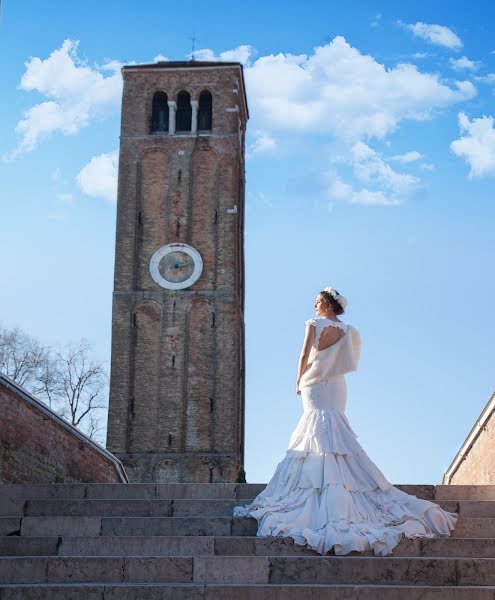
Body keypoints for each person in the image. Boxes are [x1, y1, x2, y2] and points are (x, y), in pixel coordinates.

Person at [234, 287, 457, 556]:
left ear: (328, 304)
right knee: (334, 428)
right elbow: (348, 361)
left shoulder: (313, 324)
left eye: (318, 301)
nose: (315, 305)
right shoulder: (349, 330)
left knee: (317, 425)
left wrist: (297, 380)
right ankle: (337, 479)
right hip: (337, 385)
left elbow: (305, 354)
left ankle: (324, 483)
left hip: (314, 381)